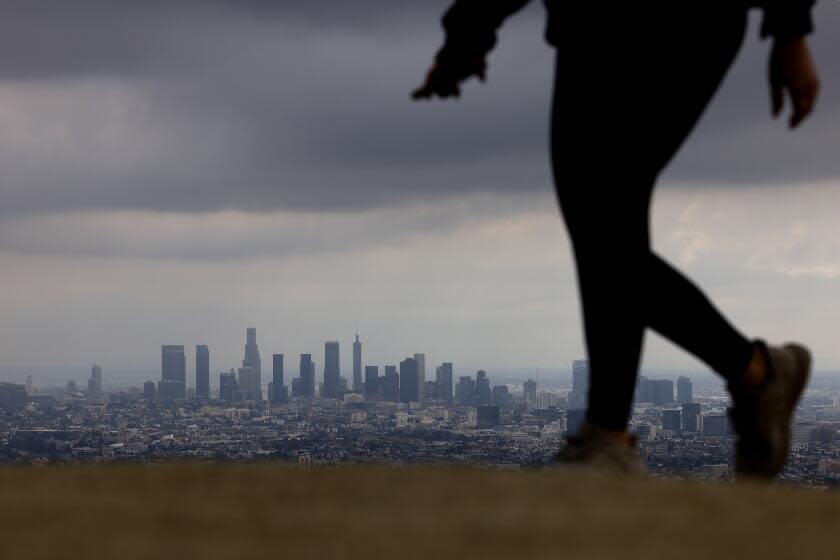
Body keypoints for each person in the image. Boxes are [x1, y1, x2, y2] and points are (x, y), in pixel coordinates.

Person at [412, 0, 820, 479]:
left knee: (604, 224)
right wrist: (468, 35)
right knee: (602, 227)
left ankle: (615, 434)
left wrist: (791, 30)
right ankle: (750, 376)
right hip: (590, 28)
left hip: (687, 23)